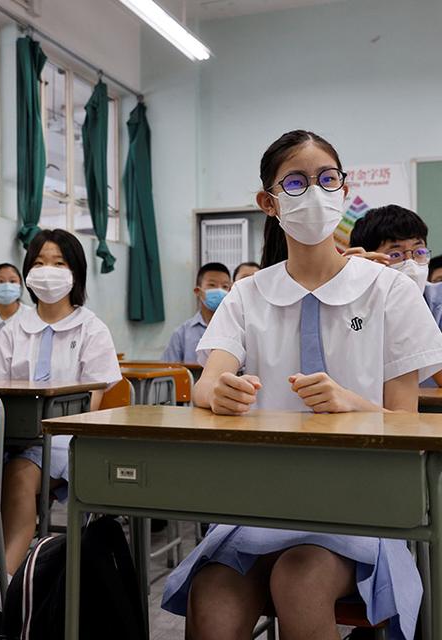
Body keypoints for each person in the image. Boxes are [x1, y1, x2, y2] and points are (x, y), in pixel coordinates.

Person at [162, 130, 442, 640]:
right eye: (295, 182)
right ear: (268, 203)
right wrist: (219, 391)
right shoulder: (249, 295)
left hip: (362, 503)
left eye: (326, 178)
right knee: (213, 593)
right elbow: (207, 382)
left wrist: (353, 404)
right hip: (263, 500)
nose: (315, 191)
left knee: (300, 577)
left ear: (343, 188)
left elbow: (409, 422)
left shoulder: (390, 291)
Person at [0, 229, 121, 639]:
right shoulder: (15, 329)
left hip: (69, 440)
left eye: (60, 263)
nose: (49, 272)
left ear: (76, 273)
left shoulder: (91, 328)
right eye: (40, 262)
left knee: (20, 477)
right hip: (10, 440)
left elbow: (100, 401)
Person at [349, 205, 442, 386]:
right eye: (395, 254)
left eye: (419, 251)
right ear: (369, 260)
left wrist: (408, 304)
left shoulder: (439, 300)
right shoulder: (354, 305)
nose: (411, 263)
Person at [162, 262, 232, 363]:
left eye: (225, 286)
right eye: (212, 285)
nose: (219, 290)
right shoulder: (182, 333)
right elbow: (168, 371)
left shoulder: (236, 328)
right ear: (197, 291)